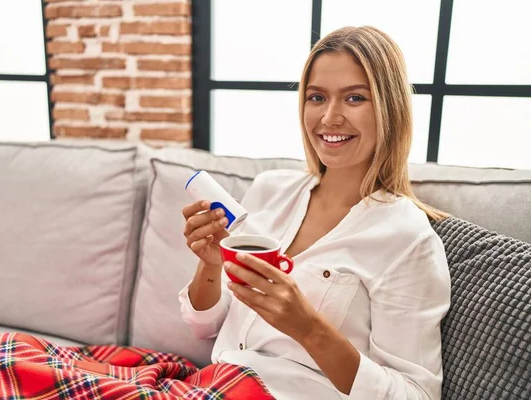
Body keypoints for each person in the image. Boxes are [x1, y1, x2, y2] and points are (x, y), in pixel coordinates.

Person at [179, 26, 451, 400]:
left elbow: (416, 394)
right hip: (211, 385)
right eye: (317, 97)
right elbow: (202, 326)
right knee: (68, 369)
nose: (329, 117)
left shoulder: (406, 237)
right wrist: (210, 264)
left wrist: (308, 327)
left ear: (389, 108)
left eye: (355, 98)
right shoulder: (270, 190)